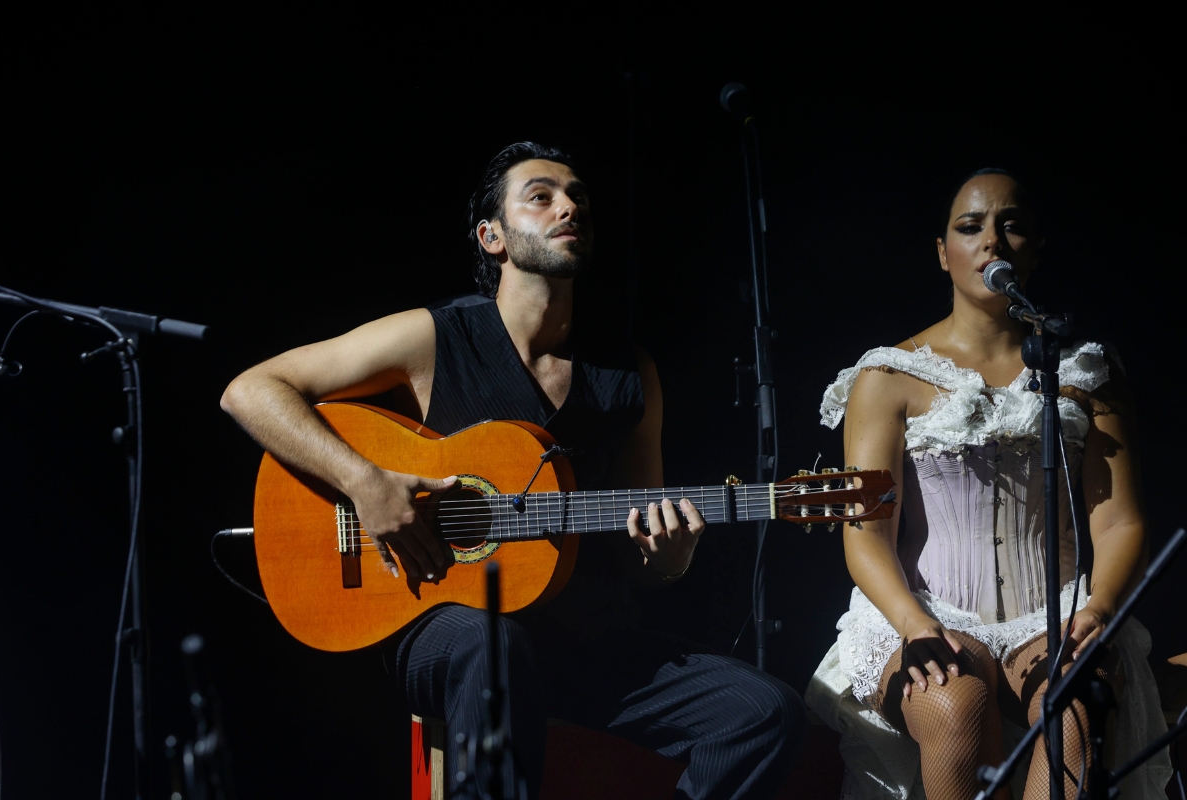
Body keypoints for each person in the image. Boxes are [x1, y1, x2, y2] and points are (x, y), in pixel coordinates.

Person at [221, 142, 806, 798]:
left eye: (578, 196)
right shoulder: (434, 340)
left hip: (584, 640)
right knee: (494, 644)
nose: (569, 207)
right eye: (542, 196)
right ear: (492, 236)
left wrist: (670, 556)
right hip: (451, 634)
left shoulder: (628, 374)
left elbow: (647, 562)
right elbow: (252, 389)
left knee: (764, 713)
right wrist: (366, 483)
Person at [805, 169, 1170, 799]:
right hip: (923, 611)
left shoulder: (1084, 370)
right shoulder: (887, 376)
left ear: (1038, 246)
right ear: (943, 253)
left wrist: (1099, 611)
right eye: (970, 227)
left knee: (1076, 710)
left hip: (1057, 613)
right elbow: (865, 535)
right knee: (954, 706)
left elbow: (1119, 519)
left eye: (1012, 225)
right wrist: (915, 623)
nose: (991, 241)